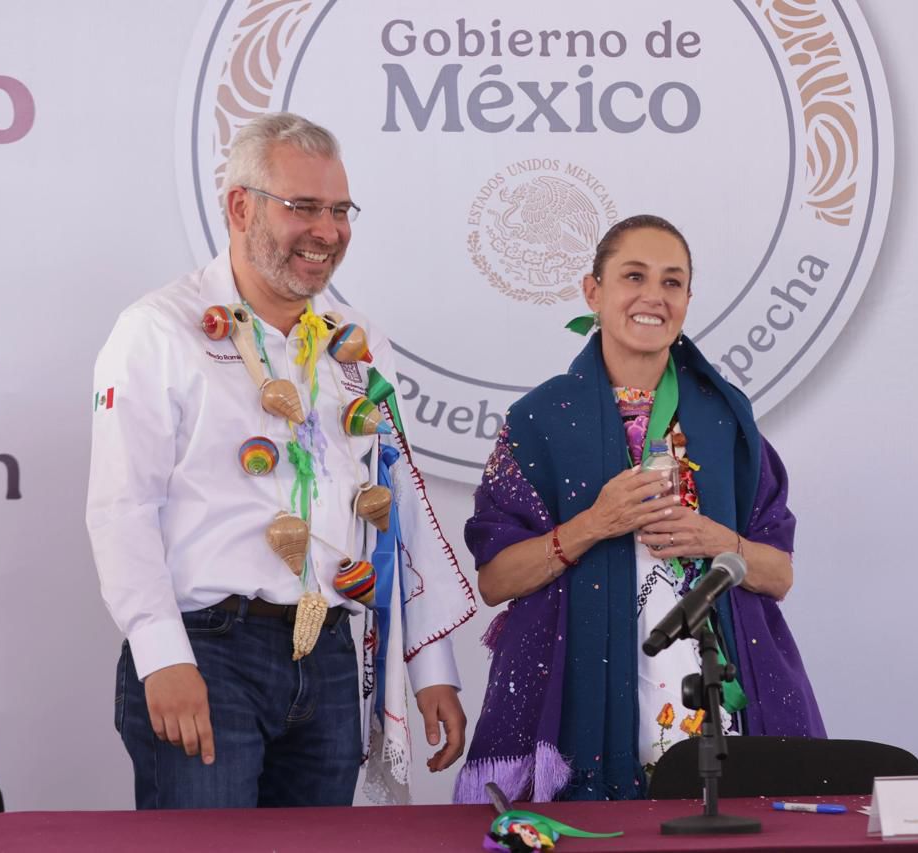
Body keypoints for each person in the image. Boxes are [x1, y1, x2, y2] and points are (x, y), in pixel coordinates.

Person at [87, 112, 475, 809]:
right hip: (208, 651)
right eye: (304, 207)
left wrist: (429, 665)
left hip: (328, 653)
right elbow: (123, 507)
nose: (327, 231)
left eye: (340, 211)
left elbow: (396, 505)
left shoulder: (358, 343)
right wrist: (161, 653)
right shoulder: (158, 330)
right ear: (241, 207)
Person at [453, 215, 824, 804]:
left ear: (687, 301)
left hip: (713, 688)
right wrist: (594, 524)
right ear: (593, 292)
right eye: (634, 276)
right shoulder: (539, 420)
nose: (654, 295)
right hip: (580, 687)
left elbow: (779, 574)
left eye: (672, 282)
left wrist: (717, 539)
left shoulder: (727, 419)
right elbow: (497, 581)